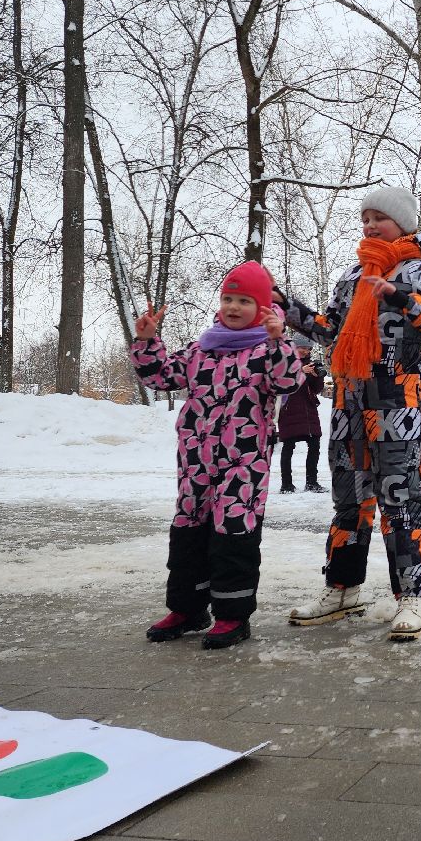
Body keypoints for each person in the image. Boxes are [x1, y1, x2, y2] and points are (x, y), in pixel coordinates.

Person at [279, 185, 421, 640]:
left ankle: (412, 594)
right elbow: (329, 330)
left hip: (396, 405)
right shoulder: (352, 274)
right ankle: (342, 589)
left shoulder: (419, 271)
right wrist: (287, 308)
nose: (369, 225)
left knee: (400, 500)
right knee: (348, 502)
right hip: (347, 405)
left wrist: (400, 296)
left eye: (378, 217)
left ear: (403, 223)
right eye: (364, 218)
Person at [131, 261, 303, 649]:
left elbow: (288, 380)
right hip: (196, 458)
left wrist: (279, 342)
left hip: (244, 462)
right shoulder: (200, 348)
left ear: (262, 308)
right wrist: (146, 343)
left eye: (244, 300)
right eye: (228, 298)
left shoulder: (265, 350)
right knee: (188, 528)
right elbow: (161, 377)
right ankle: (188, 608)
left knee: (233, 531)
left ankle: (231, 615)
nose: (233, 307)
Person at [278, 332, 326, 493]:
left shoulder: (311, 365)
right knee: (288, 447)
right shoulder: (285, 362)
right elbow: (281, 382)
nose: (306, 351)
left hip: (308, 411)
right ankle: (286, 484)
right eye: (303, 348)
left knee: (314, 445)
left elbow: (317, 390)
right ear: (295, 347)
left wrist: (316, 377)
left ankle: (312, 482)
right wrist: (301, 371)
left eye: (308, 348)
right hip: (289, 410)